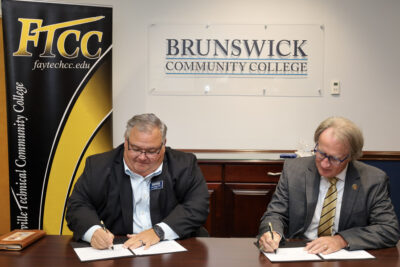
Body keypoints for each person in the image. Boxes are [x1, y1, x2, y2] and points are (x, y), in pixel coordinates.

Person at [258, 116, 400, 254]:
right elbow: (275, 214)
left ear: (350, 156)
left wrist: (341, 240)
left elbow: (388, 229)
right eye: (321, 153)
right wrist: (272, 233)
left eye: (334, 158)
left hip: (345, 256)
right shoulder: (294, 171)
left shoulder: (372, 180)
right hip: (301, 252)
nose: (325, 164)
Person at [66, 113, 209, 250]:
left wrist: (158, 232)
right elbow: (78, 205)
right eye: (135, 149)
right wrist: (94, 232)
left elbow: (198, 206)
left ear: (163, 145)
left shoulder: (184, 165)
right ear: (126, 141)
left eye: (152, 151)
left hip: (172, 246)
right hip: (118, 247)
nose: (142, 157)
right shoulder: (99, 166)